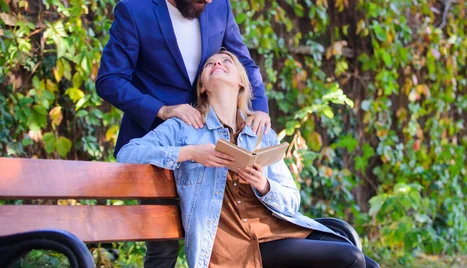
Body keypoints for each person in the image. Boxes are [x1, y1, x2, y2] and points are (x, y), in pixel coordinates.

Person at [96, 0, 270, 267]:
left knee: (216, 235)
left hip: (210, 144)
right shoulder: (134, 11)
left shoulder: (219, 4)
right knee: (162, 247)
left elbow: (244, 61)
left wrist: (259, 106)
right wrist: (161, 109)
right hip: (157, 145)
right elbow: (109, 81)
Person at [117, 50, 380, 268]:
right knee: (350, 258)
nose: (217, 63)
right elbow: (127, 154)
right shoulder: (185, 127)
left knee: (370, 265)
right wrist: (189, 153)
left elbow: (292, 200)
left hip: (277, 232)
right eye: (209, 64)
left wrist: (264, 186)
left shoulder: (261, 133)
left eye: (225, 62)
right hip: (232, 249)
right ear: (203, 87)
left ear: (241, 82)